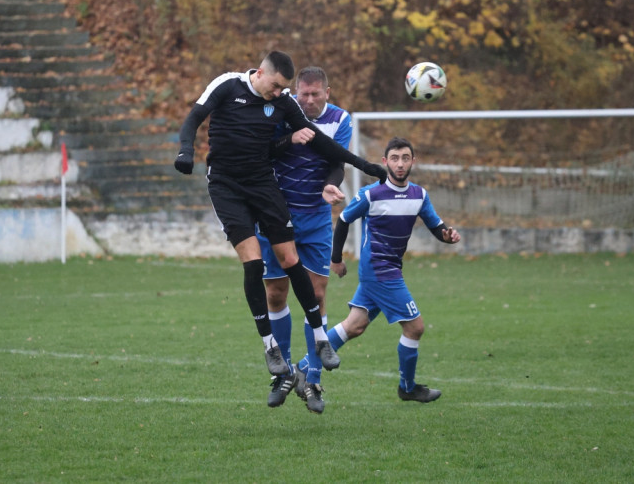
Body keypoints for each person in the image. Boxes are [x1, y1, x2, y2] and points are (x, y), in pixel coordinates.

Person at [173, 51, 386, 382]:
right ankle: (270, 346)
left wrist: (366, 166)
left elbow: (321, 145)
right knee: (254, 263)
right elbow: (193, 119)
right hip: (226, 188)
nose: (279, 94)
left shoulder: (284, 102)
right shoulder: (227, 85)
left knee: (290, 259)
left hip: (262, 184)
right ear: (260, 73)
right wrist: (185, 150)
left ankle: (319, 337)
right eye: (275, 87)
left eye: (284, 89)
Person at [321, 137, 461, 405]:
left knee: (355, 325)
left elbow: (436, 227)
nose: (400, 164)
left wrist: (448, 235)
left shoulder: (419, 195)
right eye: (394, 158)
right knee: (415, 328)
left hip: (389, 269)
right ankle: (407, 387)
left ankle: (302, 368)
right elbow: (344, 220)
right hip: (379, 271)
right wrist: (336, 259)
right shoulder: (371, 194)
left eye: (405, 158)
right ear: (385, 162)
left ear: (412, 162)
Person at [255, 66, 351, 413]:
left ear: (328, 91)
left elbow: (337, 161)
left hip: (315, 218)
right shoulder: (281, 110)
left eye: (315, 94)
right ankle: (282, 372)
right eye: (303, 94)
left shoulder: (341, 119)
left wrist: (331, 182)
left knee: (317, 294)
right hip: (276, 216)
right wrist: (288, 139)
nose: (308, 101)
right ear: (295, 91)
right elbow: (262, 151)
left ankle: (310, 377)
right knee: (275, 292)